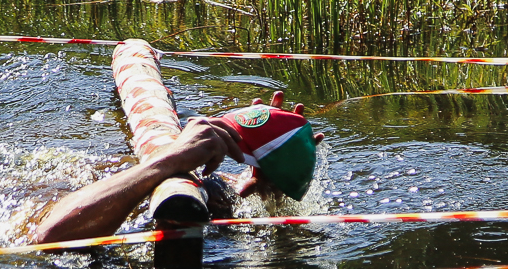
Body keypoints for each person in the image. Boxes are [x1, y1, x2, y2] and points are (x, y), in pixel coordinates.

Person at [26, 92, 324, 245]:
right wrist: (170, 159)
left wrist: (270, 199)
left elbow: (49, 238)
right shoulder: (187, 171)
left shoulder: (233, 192)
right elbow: (48, 236)